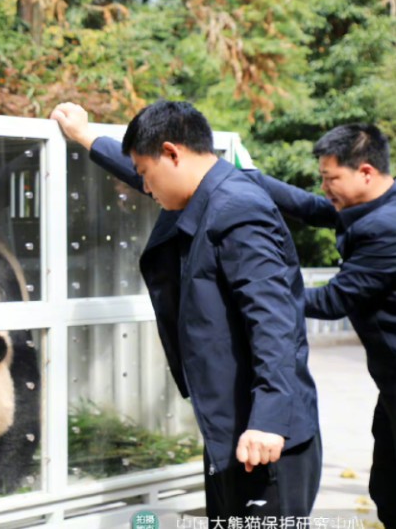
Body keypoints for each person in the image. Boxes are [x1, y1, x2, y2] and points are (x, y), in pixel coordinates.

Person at [51, 101, 321, 520]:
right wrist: (86, 137)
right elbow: (149, 175)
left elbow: (274, 321)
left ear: (173, 153)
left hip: (267, 439)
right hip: (231, 430)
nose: (143, 186)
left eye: (144, 172)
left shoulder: (238, 209)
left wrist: (268, 419)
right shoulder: (205, 194)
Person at [241, 123, 396, 526]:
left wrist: (262, 297)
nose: (326, 187)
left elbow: (333, 301)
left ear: (365, 171)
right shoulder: (376, 205)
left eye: (332, 178)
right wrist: (249, 178)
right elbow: (312, 208)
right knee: (387, 489)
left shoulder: (387, 227)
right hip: (390, 380)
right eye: (323, 178)